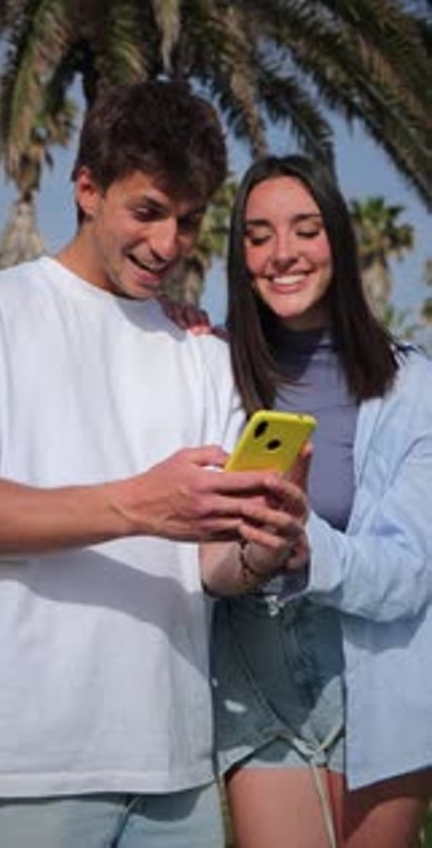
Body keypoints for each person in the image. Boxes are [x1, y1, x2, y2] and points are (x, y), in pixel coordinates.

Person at [0, 83, 309, 848]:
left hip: (175, 775)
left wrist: (263, 546)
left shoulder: (203, 353)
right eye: (148, 211)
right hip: (15, 771)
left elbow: (212, 567)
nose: (169, 244)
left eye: (190, 219)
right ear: (87, 189)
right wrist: (139, 505)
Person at [179, 154, 432, 848]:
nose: (282, 253)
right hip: (253, 683)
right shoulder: (208, 368)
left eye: (305, 229)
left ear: (339, 242)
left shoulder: (415, 391)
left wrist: (306, 546)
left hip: (380, 685)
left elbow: (410, 571)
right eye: (258, 236)